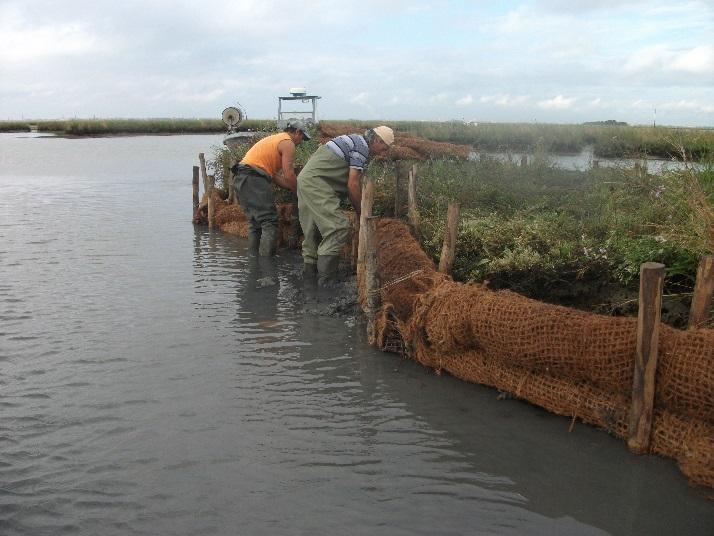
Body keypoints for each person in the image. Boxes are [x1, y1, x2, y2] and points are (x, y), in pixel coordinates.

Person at [297, 125, 394, 286]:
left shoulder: (354, 140)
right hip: (316, 184)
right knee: (338, 228)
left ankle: (309, 280)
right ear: (377, 140)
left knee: (311, 232)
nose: (386, 152)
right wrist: (361, 213)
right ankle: (326, 283)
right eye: (385, 147)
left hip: (305, 181)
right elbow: (352, 185)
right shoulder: (362, 147)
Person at [232, 119, 311, 256]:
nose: (300, 142)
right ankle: (267, 265)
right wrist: (300, 193)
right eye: (302, 138)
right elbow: (289, 175)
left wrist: (290, 187)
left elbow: (274, 176)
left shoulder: (274, 139)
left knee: (255, 223)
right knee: (269, 221)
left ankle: (254, 260)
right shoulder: (288, 143)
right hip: (253, 178)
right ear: (297, 132)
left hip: (241, 178)